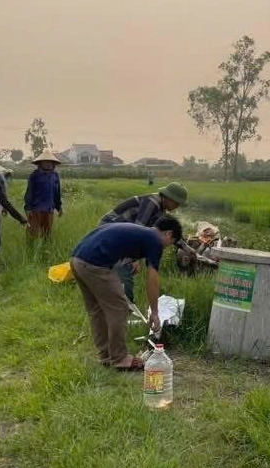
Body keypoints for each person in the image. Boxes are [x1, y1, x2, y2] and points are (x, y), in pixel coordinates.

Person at [69, 215, 183, 371]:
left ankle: (106, 356)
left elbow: (118, 243)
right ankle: (120, 358)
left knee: (97, 310)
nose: (167, 247)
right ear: (169, 234)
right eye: (171, 243)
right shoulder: (156, 241)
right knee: (120, 308)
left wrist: (132, 260)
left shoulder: (144, 233)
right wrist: (155, 312)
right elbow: (152, 281)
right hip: (95, 264)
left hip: (77, 259)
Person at [97, 182, 188, 301]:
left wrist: (186, 248)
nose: (177, 207)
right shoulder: (152, 202)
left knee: (119, 265)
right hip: (109, 229)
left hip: (121, 233)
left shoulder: (160, 209)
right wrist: (134, 259)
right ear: (168, 198)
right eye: (176, 203)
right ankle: (125, 301)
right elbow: (138, 229)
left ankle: (116, 297)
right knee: (125, 265)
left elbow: (167, 232)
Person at [24, 151, 62, 240]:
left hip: (49, 209)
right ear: (40, 163)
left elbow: (57, 192)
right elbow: (29, 191)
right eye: (45, 162)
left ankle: (45, 250)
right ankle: (31, 251)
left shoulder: (55, 175)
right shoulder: (34, 175)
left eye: (50, 162)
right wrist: (28, 207)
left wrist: (59, 207)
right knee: (33, 234)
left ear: (53, 163)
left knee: (47, 234)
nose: (48, 164)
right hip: (36, 208)